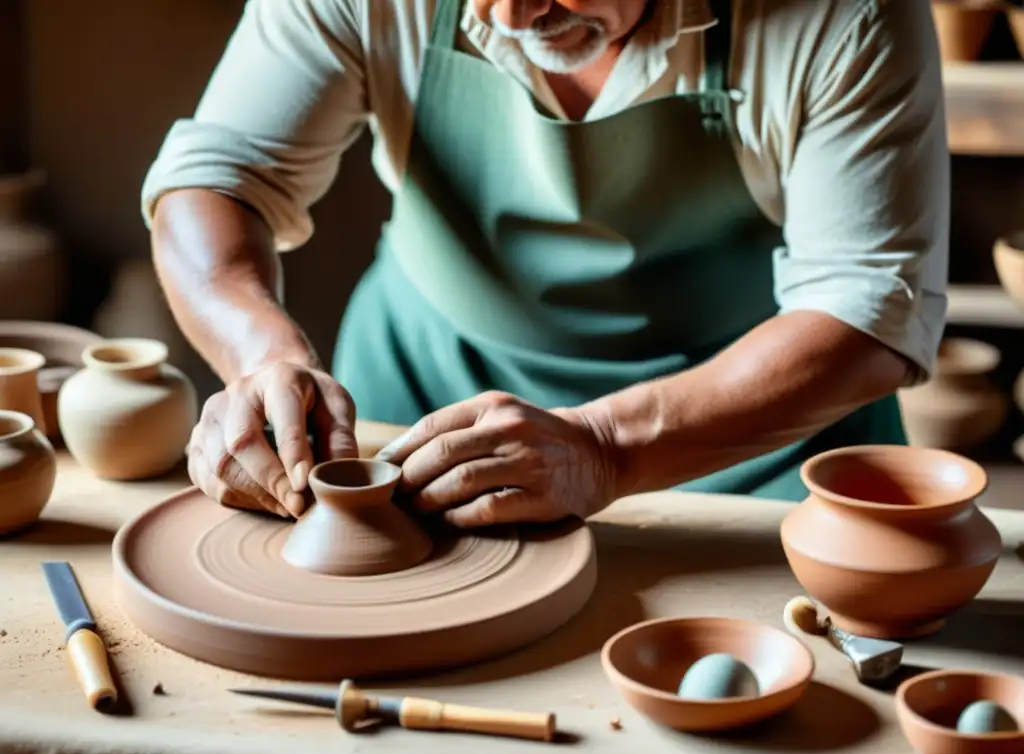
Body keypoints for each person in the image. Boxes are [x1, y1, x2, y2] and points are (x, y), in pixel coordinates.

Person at [142, 0, 949, 528]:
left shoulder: (847, 14)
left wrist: (604, 446)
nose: (515, 12)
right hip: (420, 404)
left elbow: (867, 306)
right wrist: (260, 358)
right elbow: (216, 178)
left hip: (746, 435)